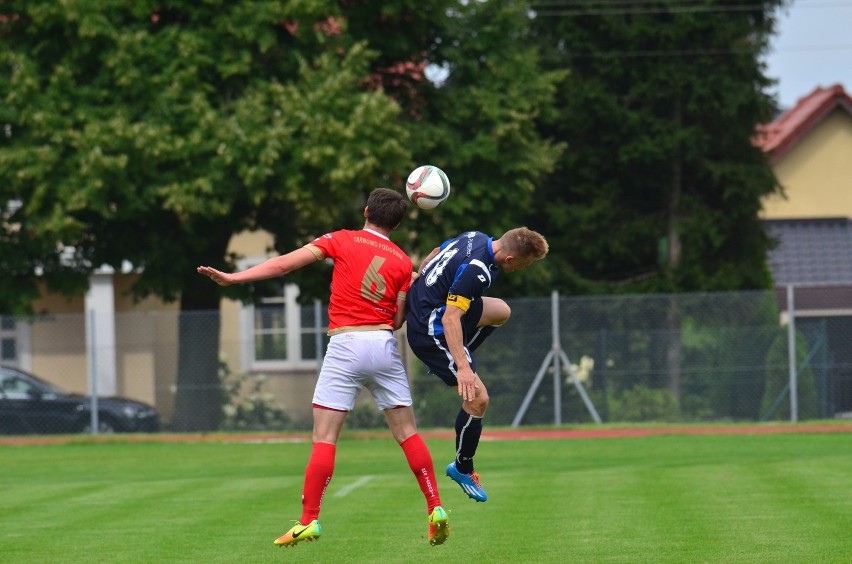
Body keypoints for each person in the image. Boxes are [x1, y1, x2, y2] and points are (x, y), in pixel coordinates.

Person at [197, 188, 449, 548]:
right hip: (383, 346)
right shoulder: (400, 260)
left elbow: (285, 263)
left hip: (346, 344)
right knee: (407, 431)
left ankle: (309, 520)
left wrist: (235, 279)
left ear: (365, 211)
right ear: (396, 223)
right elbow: (396, 321)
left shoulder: (341, 239)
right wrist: (413, 279)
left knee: (325, 437)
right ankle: (436, 507)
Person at [405, 228, 549, 502]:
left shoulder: (477, 237)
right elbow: (450, 319)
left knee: (501, 312)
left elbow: (438, 251)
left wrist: (420, 277)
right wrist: (463, 368)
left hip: (429, 307)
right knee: (479, 399)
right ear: (509, 258)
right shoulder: (479, 271)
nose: (522, 269)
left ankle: (455, 356)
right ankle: (462, 467)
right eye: (524, 264)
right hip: (429, 331)